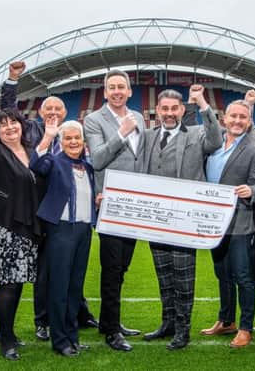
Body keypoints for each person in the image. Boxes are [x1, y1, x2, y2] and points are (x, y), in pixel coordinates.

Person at [1, 62, 98, 339]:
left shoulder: (78, 150)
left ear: (65, 112)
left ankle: (76, 316)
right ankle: (43, 321)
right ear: (40, 112)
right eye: (48, 109)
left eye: (58, 109)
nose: (53, 113)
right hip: (38, 212)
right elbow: (9, 113)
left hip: (71, 216)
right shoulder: (31, 131)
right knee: (45, 272)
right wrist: (12, 81)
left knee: (70, 272)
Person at [141, 86, 222, 350]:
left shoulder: (198, 134)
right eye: (164, 109)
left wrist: (203, 104)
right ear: (158, 111)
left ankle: (183, 330)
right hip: (157, 218)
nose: (169, 113)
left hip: (185, 219)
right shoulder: (149, 135)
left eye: (174, 108)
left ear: (182, 110)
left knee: (183, 278)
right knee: (163, 275)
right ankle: (168, 324)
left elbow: (216, 141)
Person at [0, 91, 42, 360]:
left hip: (27, 223)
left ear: (21, 125)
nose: (9, 127)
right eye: (2, 125)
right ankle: (6, 339)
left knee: (20, 280)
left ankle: (8, 332)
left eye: (13, 122)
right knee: (9, 282)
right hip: (3, 223)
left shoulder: (30, 150)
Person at [84, 68, 145, 351]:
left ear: (130, 91)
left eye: (122, 86)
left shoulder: (140, 118)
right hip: (110, 204)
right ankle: (111, 333)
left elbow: (141, 159)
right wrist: (120, 134)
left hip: (135, 204)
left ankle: (111, 322)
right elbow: (97, 159)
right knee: (111, 268)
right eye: (112, 87)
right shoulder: (94, 119)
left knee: (122, 268)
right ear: (105, 92)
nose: (117, 91)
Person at [200, 100, 255, 348]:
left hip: (239, 222)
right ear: (224, 118)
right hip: (213, 223)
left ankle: (246, 327)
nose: (237, 121)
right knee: (222, 274)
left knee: (242, 276)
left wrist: (252, 190)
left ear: (249, 122)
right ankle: (226, 320)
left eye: (243, 117)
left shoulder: (254, 150)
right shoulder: (212, 147)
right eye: (233, 116)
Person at [30, 120, 97, 357]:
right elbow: (35, 164)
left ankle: (72, 335)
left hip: (83, 231)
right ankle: (59, 340)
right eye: (67, 138)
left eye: (76, 138)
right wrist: (47, 137)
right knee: (59, 286)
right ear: (61, 141)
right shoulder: (54, 161)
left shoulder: (87, 167)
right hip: (61, 231)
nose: (73, 142)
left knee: (75, 287)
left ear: (83, 141)